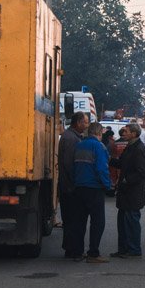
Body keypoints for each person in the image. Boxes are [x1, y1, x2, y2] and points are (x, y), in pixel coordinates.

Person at [72, 122, 112, 263]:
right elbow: (102, 168)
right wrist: (108, 186)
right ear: (99, 133)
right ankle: (93, 253)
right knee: (98, 222)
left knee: (79, 221)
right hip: (94, 188)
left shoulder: (79, 145)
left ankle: (77, 252)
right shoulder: (99, 146)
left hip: (79, 187)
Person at [111, 122, 145, 258]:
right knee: (123, 222)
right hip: (125, 193)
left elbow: (142, 172)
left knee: (131, 222)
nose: (123, 133)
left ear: (134, 133)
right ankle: (124, 249)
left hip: (132, 194)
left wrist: (127, 180)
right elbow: (121, 163)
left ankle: (134, 249)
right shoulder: (130, 146)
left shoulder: (138, 148)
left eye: (126, 131)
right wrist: (110, 160)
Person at [58, 111, 89, 258]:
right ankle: (73, 250)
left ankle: (70, 248)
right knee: (73, 221)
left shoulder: (72, 136)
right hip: (70, 187)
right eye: (85, 122)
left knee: (70, 220)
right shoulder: (71, 139)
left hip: (68, 186)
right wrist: (76, 183)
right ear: (78, 123)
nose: (87, 125)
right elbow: (69, 164)